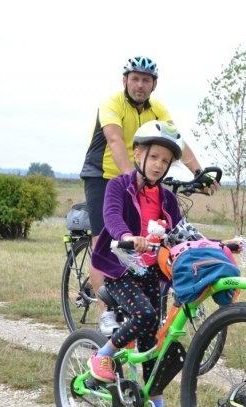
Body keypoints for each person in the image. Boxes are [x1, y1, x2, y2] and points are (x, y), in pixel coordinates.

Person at [79, 56, 207, 335]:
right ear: (124, 80)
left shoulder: (158, 108)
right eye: (134, 78)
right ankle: (107, 313)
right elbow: (114, 140)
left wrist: (199, 172)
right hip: (103, 175)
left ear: (154, 85)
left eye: (146, 80)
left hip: (140, 174)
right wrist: (134, 181)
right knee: (106, 239)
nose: (140, 85)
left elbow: (177, 142)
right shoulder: (111, 103)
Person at [88, 121, 192, 407]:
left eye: (166, 160)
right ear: (138, 154)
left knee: (152, 342)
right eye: (155, 157)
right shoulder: (119, 185)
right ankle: (103, 356)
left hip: (150, 272)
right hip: (121, 266)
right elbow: (112, 215)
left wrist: (216, 245)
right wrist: (126, 237)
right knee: (145, 316)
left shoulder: (167, 199)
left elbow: (182, 233)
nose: (160, 165)